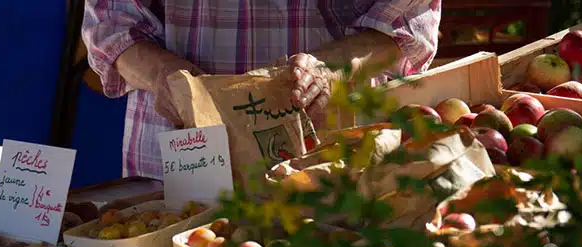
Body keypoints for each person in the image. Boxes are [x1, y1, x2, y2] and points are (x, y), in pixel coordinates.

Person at [82, 0, 441, 180]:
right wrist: (167, 76)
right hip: (180, 153)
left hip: (330, 150)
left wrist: (328, 68)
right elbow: (110, 25)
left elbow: (406, 22)